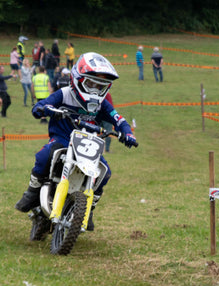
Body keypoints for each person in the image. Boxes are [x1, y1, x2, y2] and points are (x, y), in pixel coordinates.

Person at [15, 52, 137, 231]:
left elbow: (118, 119)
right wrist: (43, 108)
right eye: (91, 84)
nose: (95, 90)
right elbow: (43, 104)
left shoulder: (102, 104)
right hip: (62, 138)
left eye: (100, 86)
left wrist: (127, 133)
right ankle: (32, 192)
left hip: (88, 144)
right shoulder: (64, 94)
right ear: (77, 79)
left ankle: (89, 207)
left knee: (104, 172)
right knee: (44, 156)